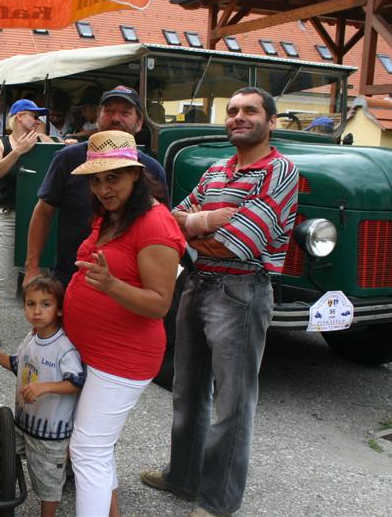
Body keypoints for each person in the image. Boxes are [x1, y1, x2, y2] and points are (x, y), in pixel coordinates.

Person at [140, 87, 299, 517]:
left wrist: (193, 229)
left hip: (242, 292)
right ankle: (182, 478)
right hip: (198, 285)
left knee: (233, 404)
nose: (238, 117)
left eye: (250, 110)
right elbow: (171, 223)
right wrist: (205, 221)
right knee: (187, 391)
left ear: (271, 121)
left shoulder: (279, 171)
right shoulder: (217, 170)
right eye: (231, 110)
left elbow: (240, 245)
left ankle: (217, 501)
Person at [63, 130, 186, 516]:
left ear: (135, 173)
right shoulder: (113, 215)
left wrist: (111, 285)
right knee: (97, 447)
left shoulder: (154, 224)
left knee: (87, 450)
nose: (103, 188)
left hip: (123, 358)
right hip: (97, 353)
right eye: (96, 180)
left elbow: (159, 304)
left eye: (112, 177)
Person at [24, 86, 168, 290]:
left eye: (125, 112)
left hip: (129, 287)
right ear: (98, 118)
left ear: (139, 123)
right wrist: (32, 267)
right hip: (71, 279)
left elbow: (162, 230)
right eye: (108, 111)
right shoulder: (68, 159)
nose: (115, 118)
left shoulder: (152, 169)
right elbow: (44, 212)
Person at [0, 275, 84, 517]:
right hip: (23, 423)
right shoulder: (31, 339)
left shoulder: (64, 347)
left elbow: (76, 383)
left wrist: (45, 387)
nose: (37, 311)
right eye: (31, 304)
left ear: (60, 310)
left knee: (48, 485)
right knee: (5, 459)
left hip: (49, 435)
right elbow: (15, 363)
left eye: (46, 304)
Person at [0, 99, 54, 347]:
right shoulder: (0, 142)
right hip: (8, 216)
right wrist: (18, 151)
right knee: (2, 278)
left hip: (36, 217)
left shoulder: (42, 141)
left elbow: (62, 157)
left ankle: (41, 332)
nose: (38, 120)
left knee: (39, 274)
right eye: (34, 115)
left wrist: (67, 145)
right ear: (19, 117)